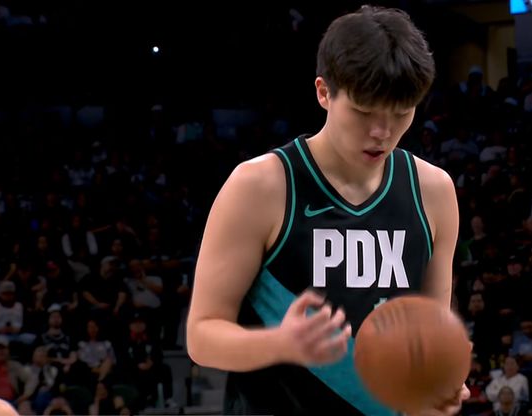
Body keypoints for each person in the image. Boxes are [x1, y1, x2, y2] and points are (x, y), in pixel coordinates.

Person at [186, 5, 468, 416]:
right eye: (364, 111)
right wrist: (279, 344)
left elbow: (429, 338)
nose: (382, 132)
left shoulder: (434, 191)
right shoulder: (260, 186)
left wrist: (437, 386)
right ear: (323, 92)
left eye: (400, 113)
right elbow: (202, 336)